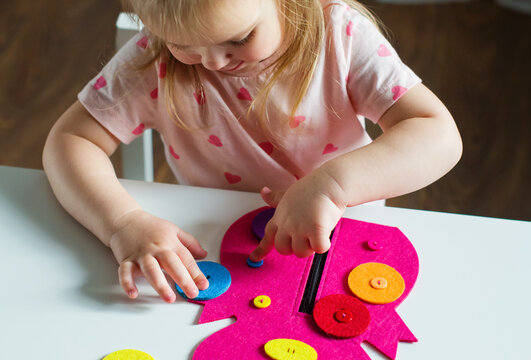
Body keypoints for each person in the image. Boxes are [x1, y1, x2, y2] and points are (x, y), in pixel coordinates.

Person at [42, 0, 462, 304]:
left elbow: (438, 134)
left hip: (342, 237)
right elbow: (71, 141)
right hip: (216, 242)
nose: (212, 62)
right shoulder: (154, 61)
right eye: (182, 43)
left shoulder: (339, 34)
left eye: (239, 39)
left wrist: (332, 186)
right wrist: (122, 223)